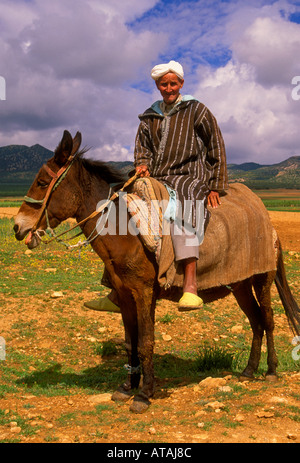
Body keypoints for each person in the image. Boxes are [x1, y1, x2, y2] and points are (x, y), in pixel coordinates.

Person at [84, 59, 228, 312]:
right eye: (163, 84)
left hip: (188, 176)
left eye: (173, 83)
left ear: (181, 83)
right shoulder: (150, 116)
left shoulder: (197, 110)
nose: (169, 88)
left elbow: (215, 145)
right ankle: (116, 290)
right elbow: (142, 147)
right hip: (158, 176)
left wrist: (215, 186)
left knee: (185, 207)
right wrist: (142, 164)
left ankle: (190, 287)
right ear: (157, 86)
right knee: (123, 209)